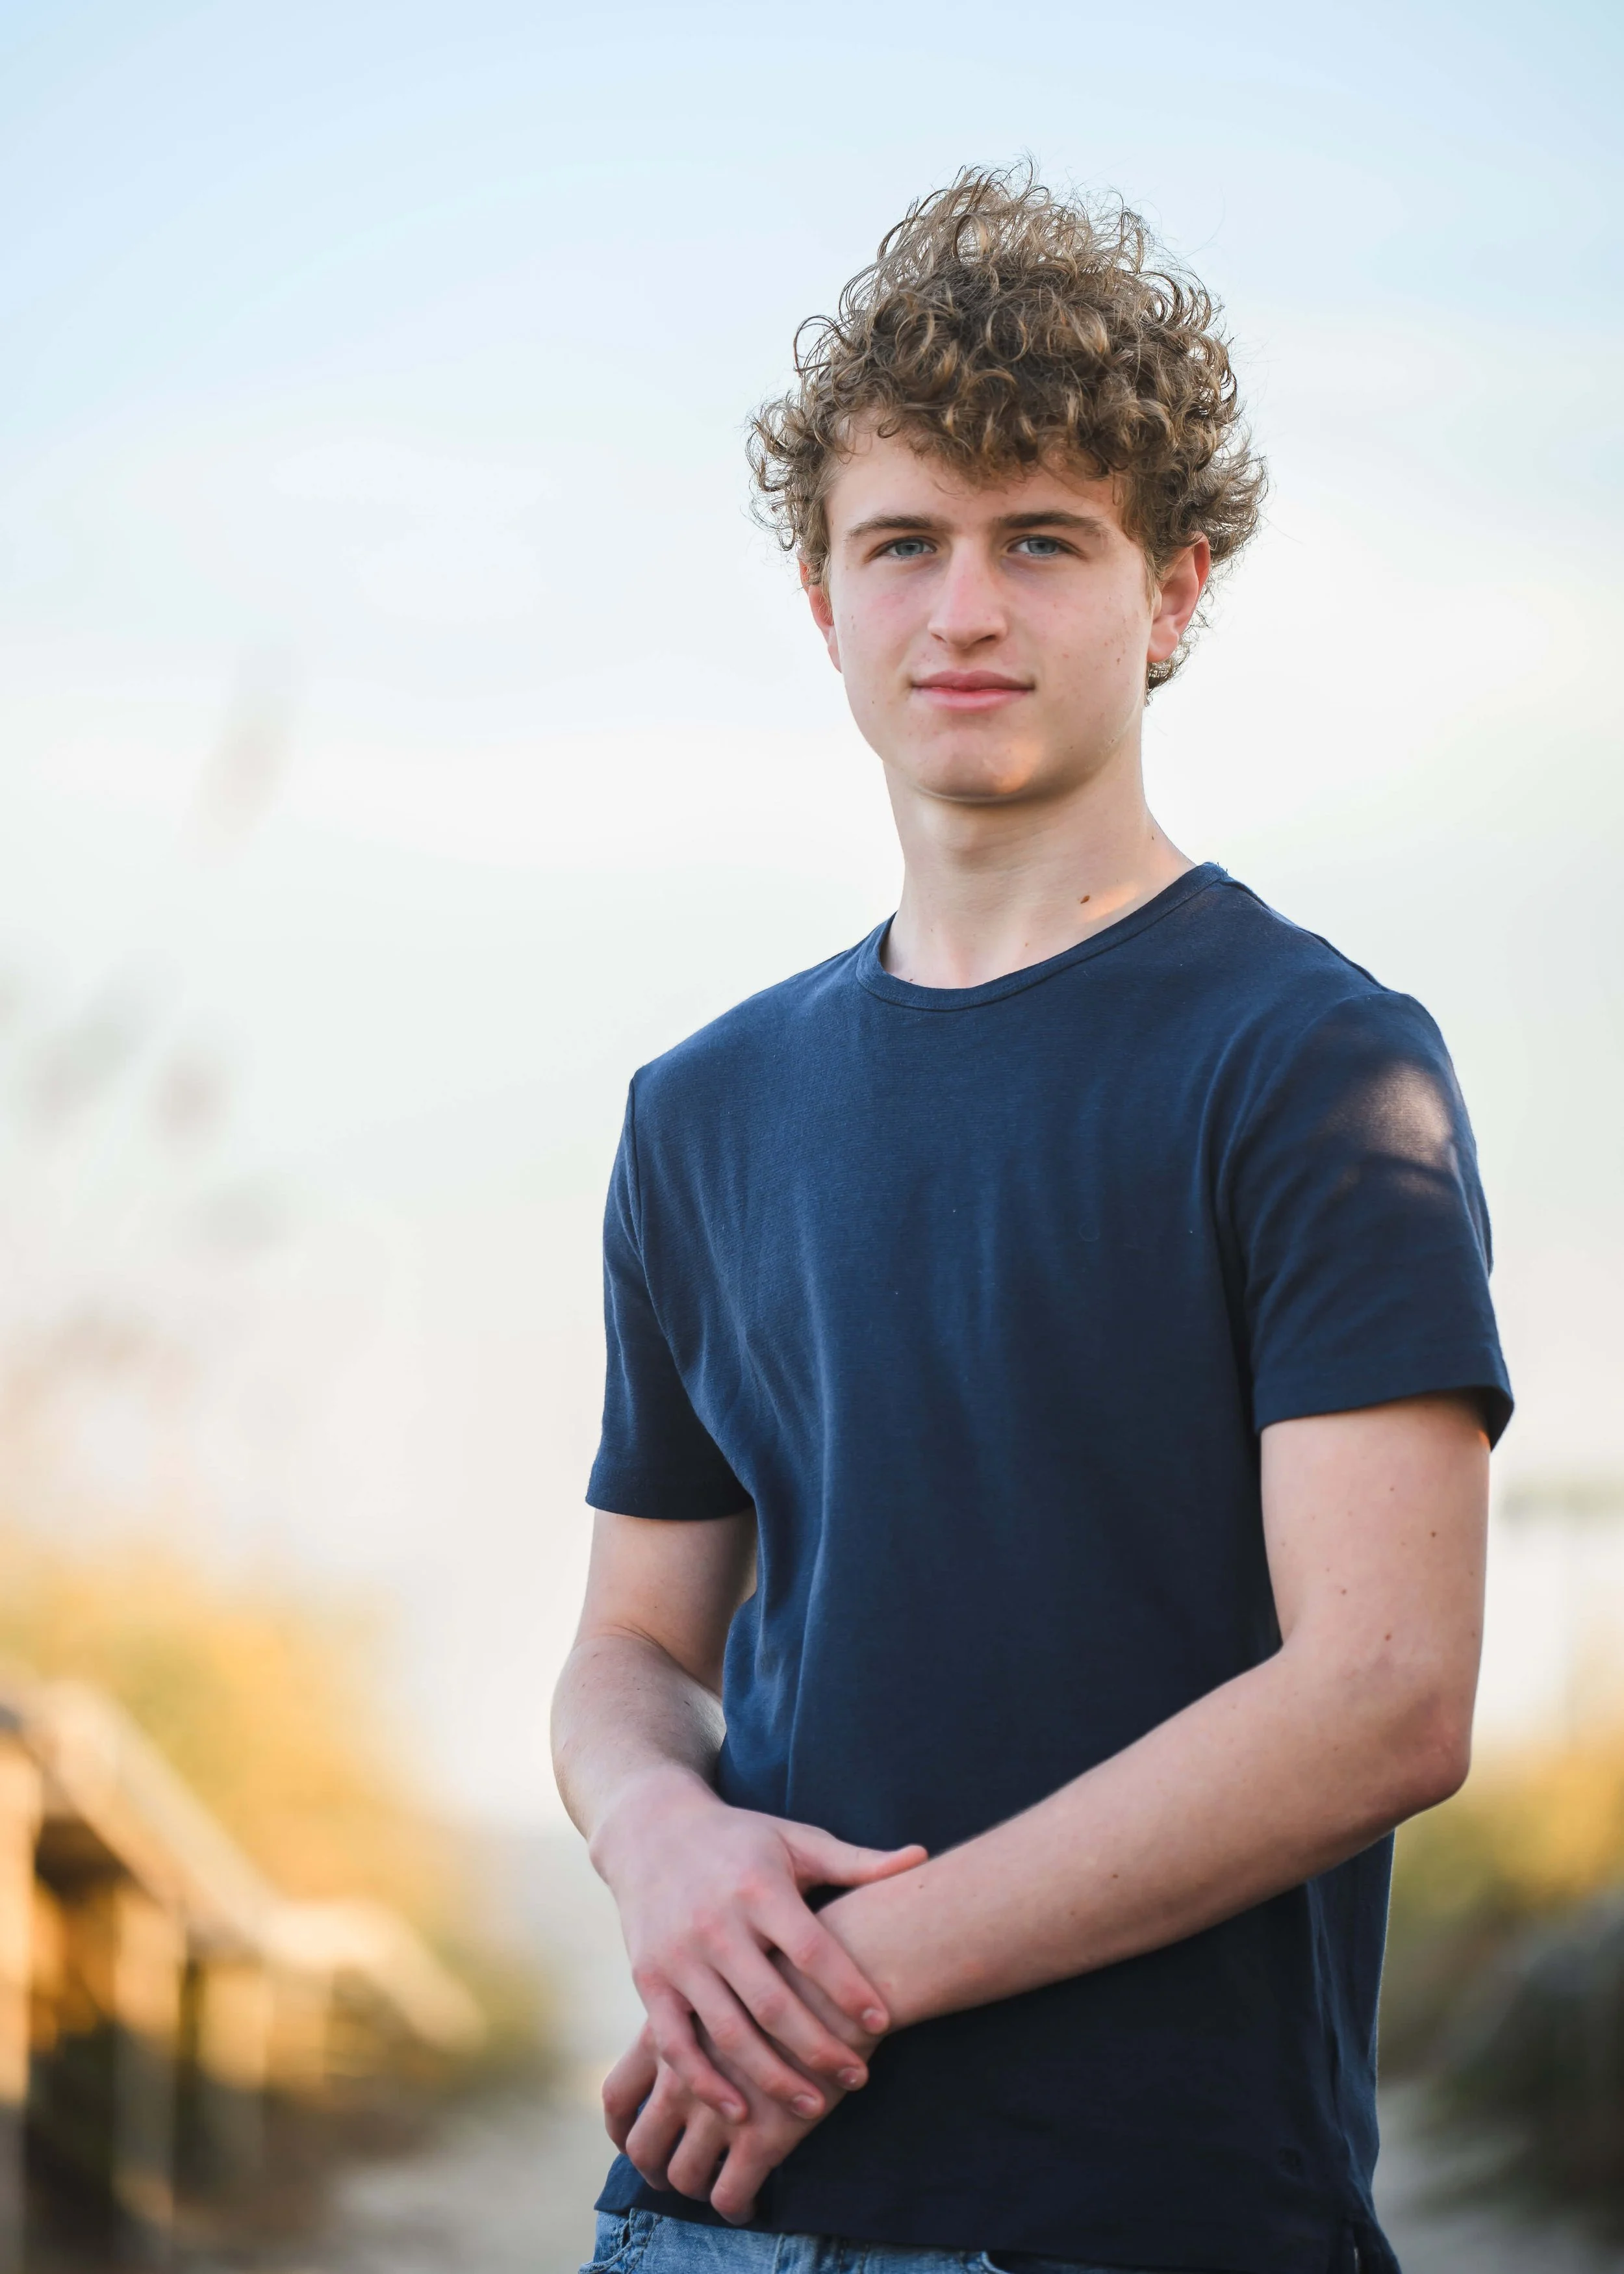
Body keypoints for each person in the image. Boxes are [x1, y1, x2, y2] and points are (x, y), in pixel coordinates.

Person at [551, 166, 1510, 2274]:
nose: (961, 610)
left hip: (1143, 2212)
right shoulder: (699, 1109)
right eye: (901, 543)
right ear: (823, 598)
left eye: (1040, 542)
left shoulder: (1321, 1069)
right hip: (718, 2216)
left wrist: (834, 1978)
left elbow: (1380, 1689)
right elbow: (634, 1644)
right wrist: (657, 1836)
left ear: (1171, 592)